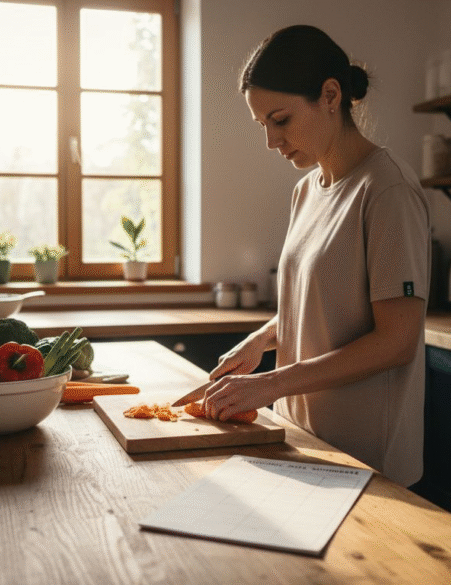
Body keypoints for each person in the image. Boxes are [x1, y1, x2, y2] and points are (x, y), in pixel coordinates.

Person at [174, 25, 430, 487]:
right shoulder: (306, 190)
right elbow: (319, 304)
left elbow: (397, 340)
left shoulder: (387, 190)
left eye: (281, 120)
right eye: (263, 125)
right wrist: (260, 341)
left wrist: (271, 383)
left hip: (368, 456)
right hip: (303, 438)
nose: (272, 140)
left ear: (330, 96)